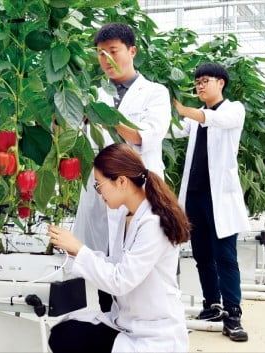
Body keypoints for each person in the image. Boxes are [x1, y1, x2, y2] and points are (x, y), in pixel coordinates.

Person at [47, 143, 190, 353]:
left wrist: (81, 250)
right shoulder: (127, 216)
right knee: (63, 333)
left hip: (153, 331)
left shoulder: (153, 222)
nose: (99, 193)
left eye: (99, 185)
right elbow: (117, 262)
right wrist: (77, 251)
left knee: (67, 339)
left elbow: (121, 281)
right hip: (129, 322)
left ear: (121, 181)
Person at [73, 22, 171, 312]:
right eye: (101, 53)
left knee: (138, 267)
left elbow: (145, 136)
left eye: (113, 51)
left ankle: (138, 325)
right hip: (102, 189)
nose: (106, 60)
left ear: (132, 51)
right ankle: (110, 324)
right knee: (102, 263)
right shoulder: (93, 93)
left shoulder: (155, 93)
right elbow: (70, 127)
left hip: (137, 191)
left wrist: (104, 115)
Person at [170, 62, 250, 341]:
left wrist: (183, 108)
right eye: (197, 82)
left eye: (205, 80)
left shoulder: (233, 109)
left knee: (225, 257)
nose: (200, 85)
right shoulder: (194, 119)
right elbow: (171, 130)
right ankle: (212, 304)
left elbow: (213, 119)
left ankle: (233, 314)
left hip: (220, 199)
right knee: (202, 255)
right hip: (194, 196)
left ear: (221, 83)